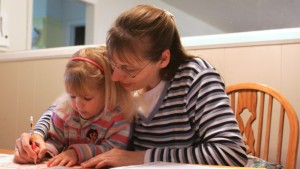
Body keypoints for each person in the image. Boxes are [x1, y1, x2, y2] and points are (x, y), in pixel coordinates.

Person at [14, 4, 248, 168]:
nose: (115, 76)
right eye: (114, 65)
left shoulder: (195, 77)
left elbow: (231, 152)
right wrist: (37, 135)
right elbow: (63, 106)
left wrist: (138, 157)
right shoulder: (122, 77)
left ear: (163, 59)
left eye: (128, 69)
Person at [15, 46, 134, 167]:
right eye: (72, 96)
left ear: (108, 92)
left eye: (87, 98)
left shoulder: (118, 118)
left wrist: (76, 153)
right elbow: (56, 141)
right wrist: (40, 151)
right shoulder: (64, 113)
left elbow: (113, 150)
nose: (77, 104)